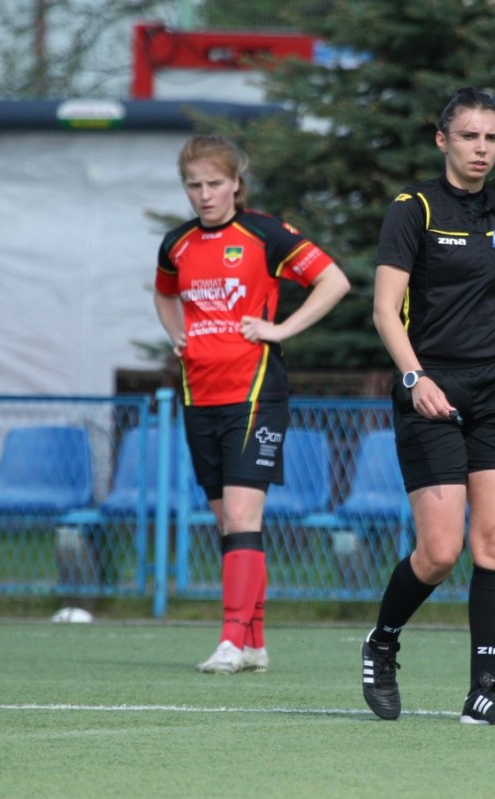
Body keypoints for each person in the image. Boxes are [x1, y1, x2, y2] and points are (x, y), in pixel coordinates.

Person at [361, 87, 495, 725]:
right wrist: (414, 377)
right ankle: (382, 642)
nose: (481, 149)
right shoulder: (412, 209)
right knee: (440, 551)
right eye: (469, 136)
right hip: (432, 390)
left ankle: (484, 691)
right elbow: (385, 310)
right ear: (443, 140)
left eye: (491, 138)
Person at [153, 134, 351, 674]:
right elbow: (164, 293)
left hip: (256, 395)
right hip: (199, 396)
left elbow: (333, 281)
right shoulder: (176, 243)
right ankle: (255, 643)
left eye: (214, 183)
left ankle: (230, 640)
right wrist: (176, 333)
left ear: (236, 183)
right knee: (229, 525)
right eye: (194, 185)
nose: (204, 194)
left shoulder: (264, 234)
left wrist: (281, 328)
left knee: (242, 516)